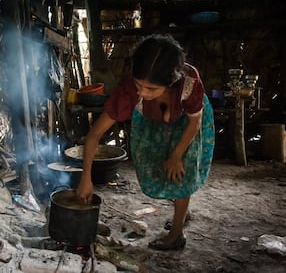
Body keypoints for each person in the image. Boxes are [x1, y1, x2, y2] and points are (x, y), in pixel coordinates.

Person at [76, 34, 215, 251]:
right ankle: (182, 207)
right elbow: (94, 135)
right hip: (152, 120)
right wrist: (86, 178)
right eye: (139, 84)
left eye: (151, 89)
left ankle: (177, 233)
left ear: (171, 83)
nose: (142, 92)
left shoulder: (189, 84)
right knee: (159, 166)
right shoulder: (131, 91)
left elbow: (194, 123)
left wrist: (177, 155)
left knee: (181, 171)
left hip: (188, 121)